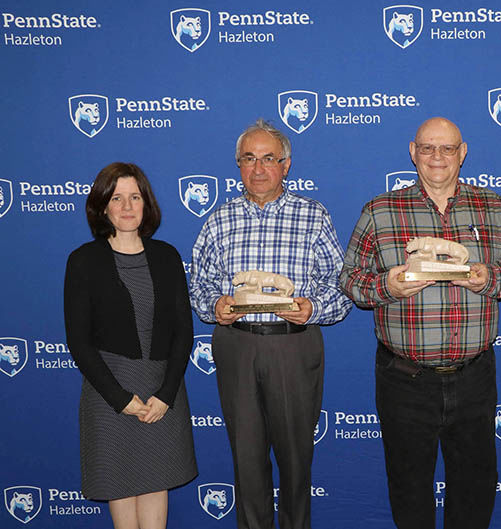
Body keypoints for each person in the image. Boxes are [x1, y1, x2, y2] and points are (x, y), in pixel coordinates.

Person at [340, 117, 501, 529]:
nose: (437, 158)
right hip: (404, 379)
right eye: (428, 148)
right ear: (413, 153)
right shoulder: (380, 210)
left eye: (447, 149)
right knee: (409, 490)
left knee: (476, 488)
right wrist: (388, 285)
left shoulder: (493, 208)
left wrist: (489, 277)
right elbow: (350, 279)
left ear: (463, 153)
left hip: (474, 377)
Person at [189, 119, 352, 529]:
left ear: (286, 164)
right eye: (248, 159)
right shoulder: (218, 219)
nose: (258, 168)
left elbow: (342, 286)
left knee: (296, 460)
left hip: (293, 346)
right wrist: (215, 305)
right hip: (237, 345)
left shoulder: (313, 216)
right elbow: (199, 286)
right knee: (246, 459)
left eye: (268, 159)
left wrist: (312, 309)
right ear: (238, 165)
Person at [64, 162, 197, 529]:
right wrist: (120, 399)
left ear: (146, 203)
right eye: (117, 197)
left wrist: (166, 394)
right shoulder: (82, 261)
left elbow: (183, 333)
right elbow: (79, 341)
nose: (126, 206)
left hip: (161, 391)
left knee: (156, 485)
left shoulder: (167, 257)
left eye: (134, 197)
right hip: (110, 393)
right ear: (103, 206)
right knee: (121, 486)